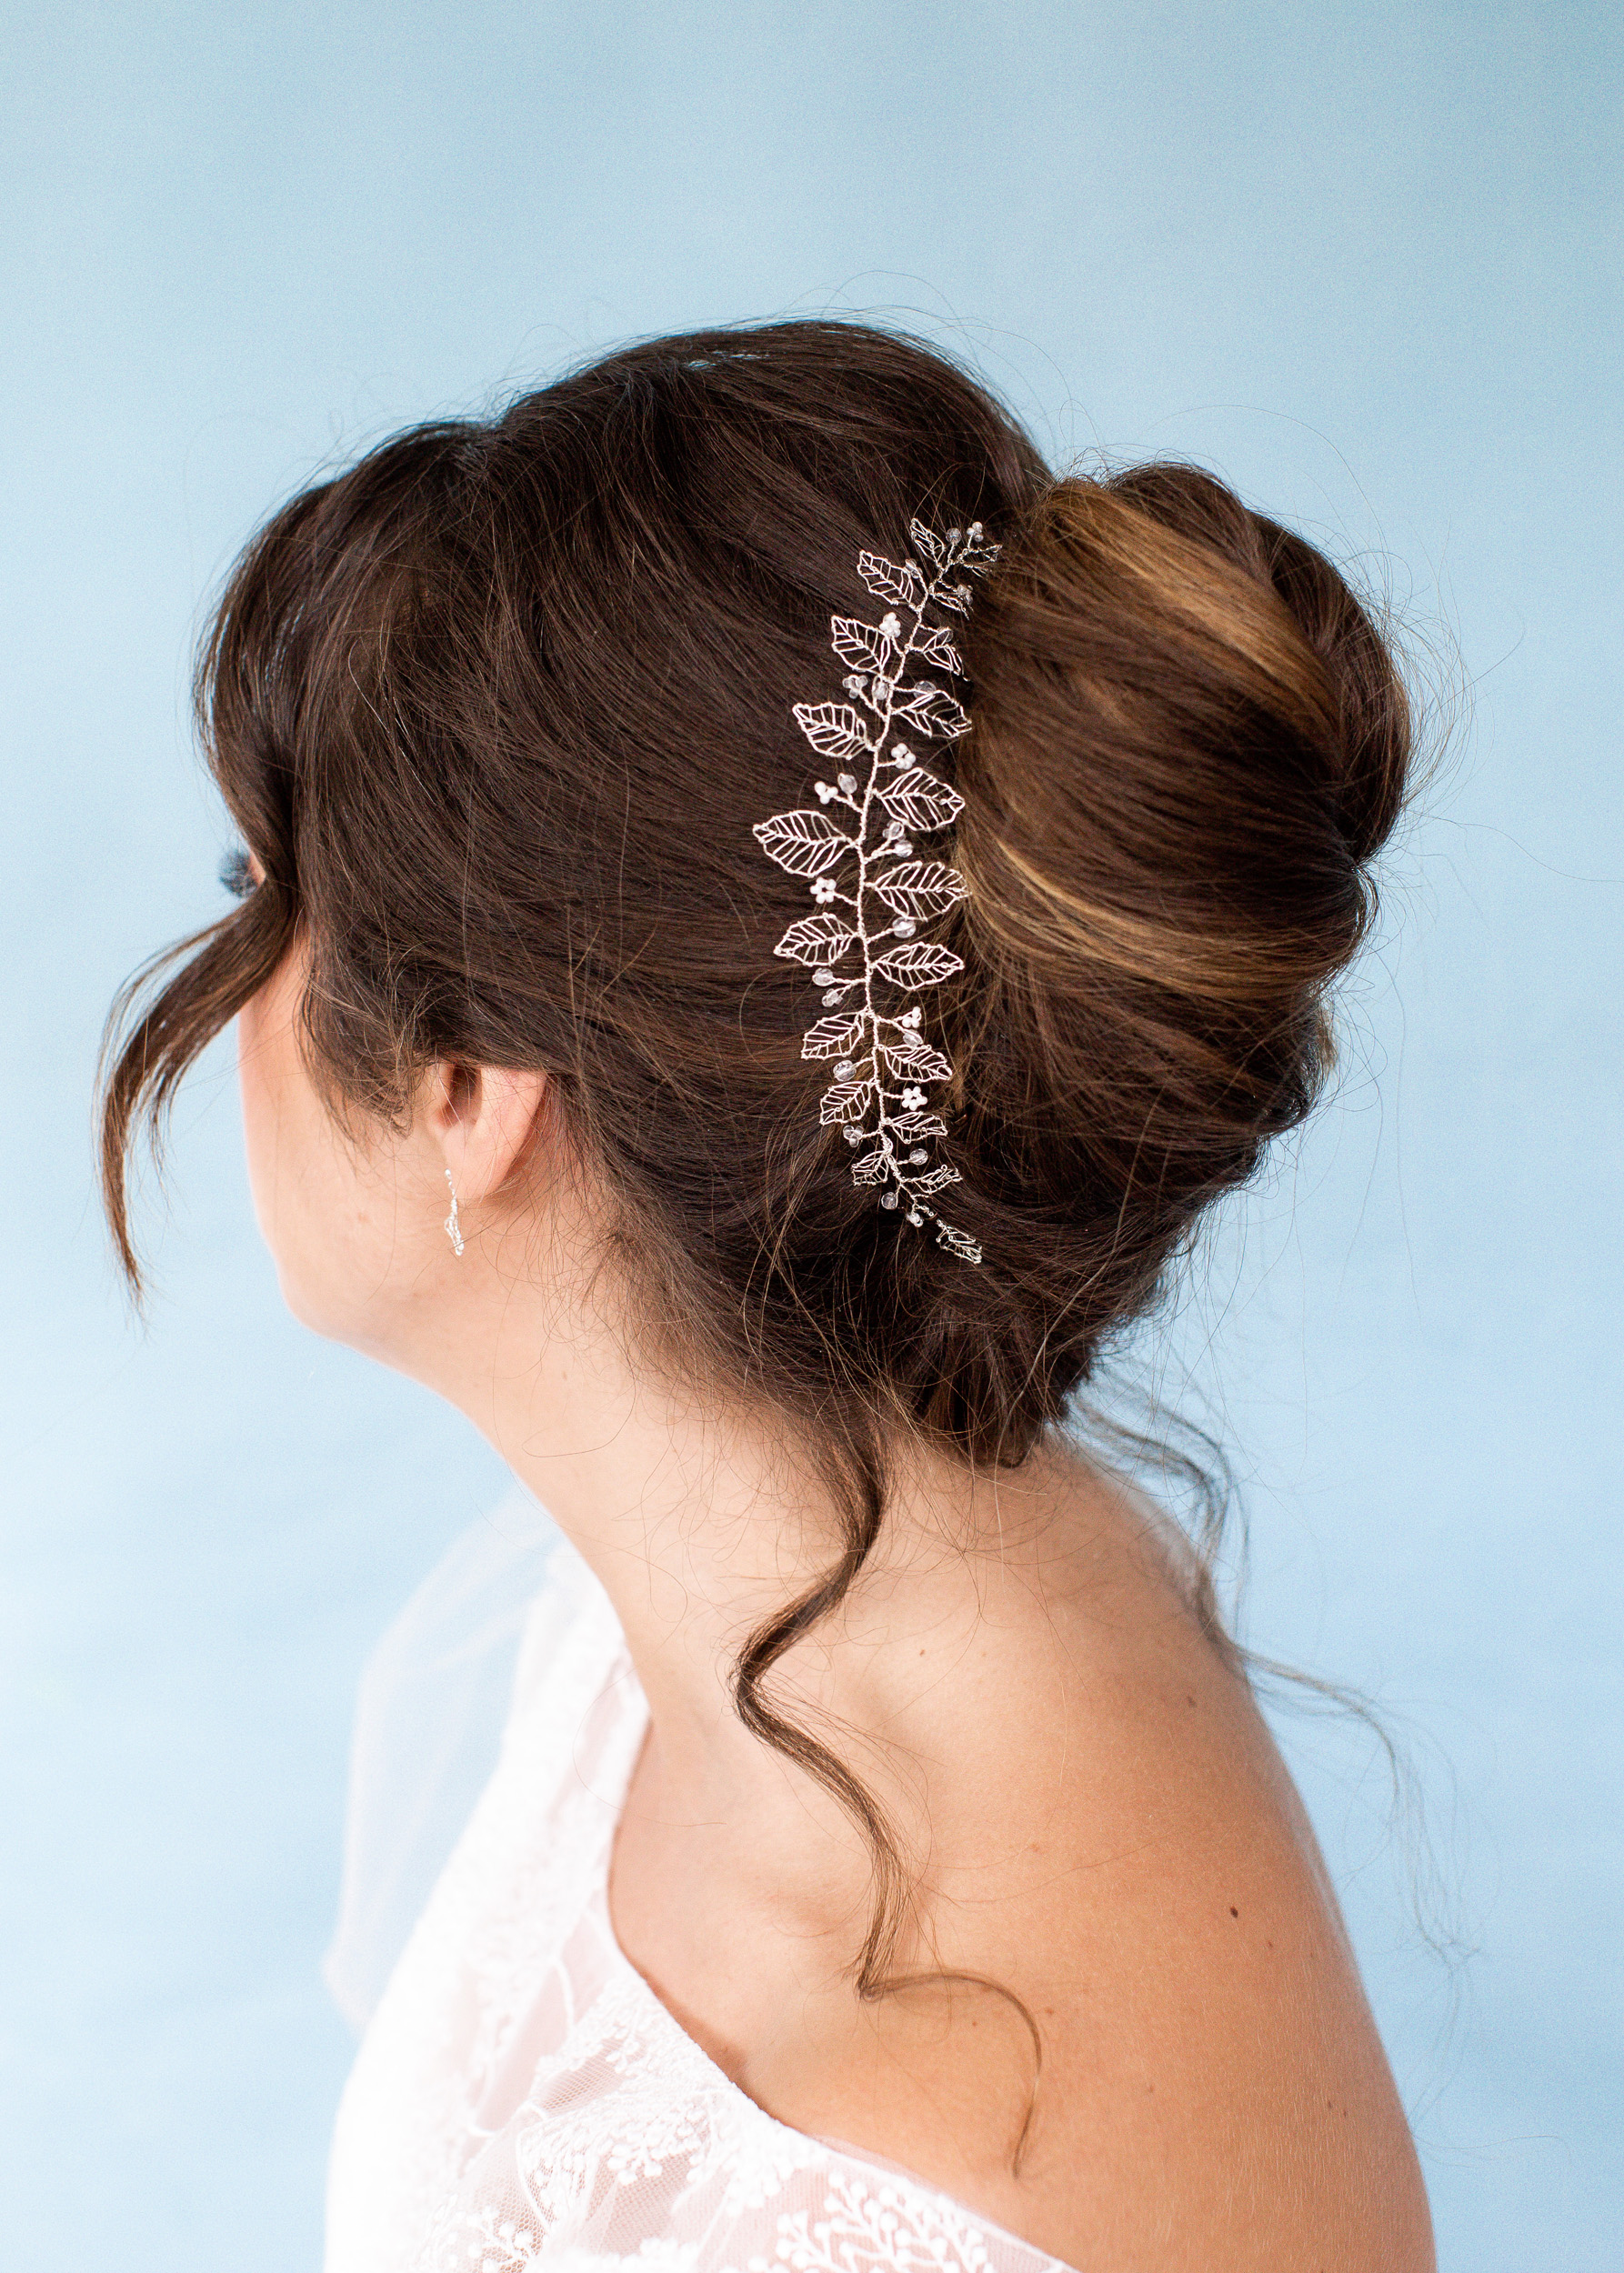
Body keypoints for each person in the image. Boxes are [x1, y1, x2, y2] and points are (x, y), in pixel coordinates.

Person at [98, 320, 1436, 2272]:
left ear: (469, 1092)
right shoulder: (794, 1544)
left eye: (260, 879)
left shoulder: (890, 2183)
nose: (230, 979)